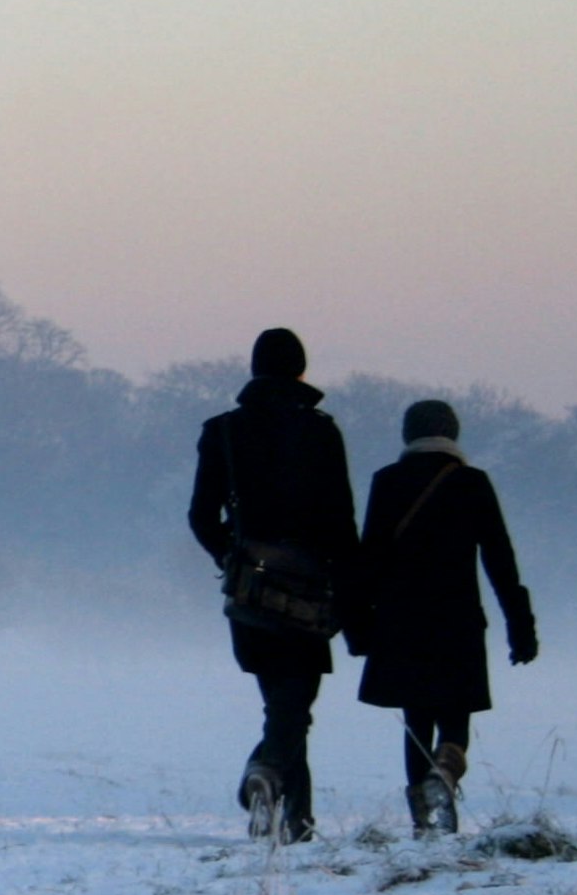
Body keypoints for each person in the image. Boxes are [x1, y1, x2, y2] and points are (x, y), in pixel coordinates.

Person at [187, 327, 358, 841]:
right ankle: (269, 779)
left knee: (282, 702)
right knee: (294, 703)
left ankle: (294, 817)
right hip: (310, 590)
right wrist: (352, 595)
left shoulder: (222, 431)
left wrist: (232, 554)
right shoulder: (322, 432)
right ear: (301, 371)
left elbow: (200, 515)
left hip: (251, 590)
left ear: (254, 368)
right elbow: (342, 523)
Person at [346, 398, 537, 833]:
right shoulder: (472, 483)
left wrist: (358, 625)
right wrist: (520, 627)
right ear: (453, 434)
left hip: (400, 620)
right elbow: (500, 560)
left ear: (407, 435)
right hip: (458, 617)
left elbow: (368, 558)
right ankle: (448, 766)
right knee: (456, 713)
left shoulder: (388, 481)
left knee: (416, 719)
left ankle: (425, 820)